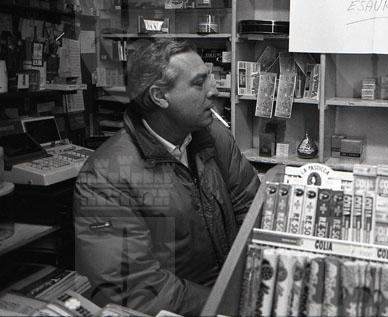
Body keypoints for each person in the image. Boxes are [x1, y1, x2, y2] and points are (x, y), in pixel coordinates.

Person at [74, 39, 259, 315]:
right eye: (199, 83)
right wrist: (228, 304)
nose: (214, 90)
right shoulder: (104, 177)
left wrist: (257, 285)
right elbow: (137, 289)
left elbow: (252, 211)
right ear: (160, 96)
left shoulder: (213, 136)